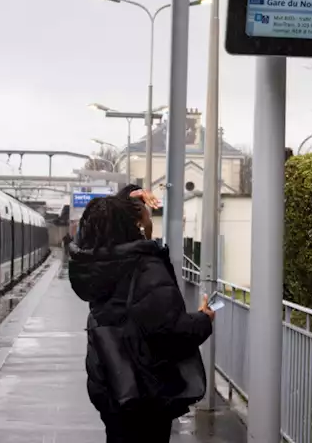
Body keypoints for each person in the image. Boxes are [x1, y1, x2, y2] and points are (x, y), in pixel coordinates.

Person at [67, 184, 215, 442]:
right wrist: (204, 319)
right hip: (145, 389)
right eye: (145, 213)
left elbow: (109, 216)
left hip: (111, 381)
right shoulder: (146, 267)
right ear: (136, 222)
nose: (149, 216)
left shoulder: (96, 262)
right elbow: (171, 332)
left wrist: (127, 196)